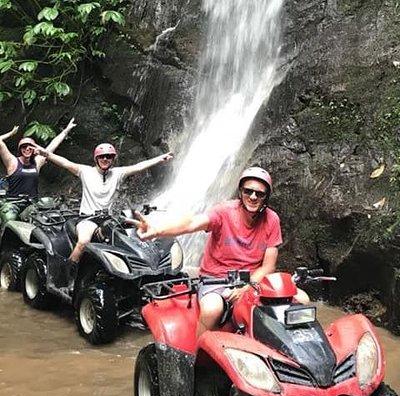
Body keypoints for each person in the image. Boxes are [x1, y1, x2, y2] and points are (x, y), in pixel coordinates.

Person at [134, 166, 299, 337]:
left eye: (260, 193)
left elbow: (268, 267)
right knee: (213, 309)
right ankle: (197, 355)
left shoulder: (272, 220)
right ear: (241, 192)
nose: (253, 197)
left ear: (266, 197)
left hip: (252, 281)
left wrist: (247, 286)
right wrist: (157, 230)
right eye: (248, 191)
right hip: (216, 280)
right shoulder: (224, 212)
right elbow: (191, 223)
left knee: (301, 300)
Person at [36, 142, 173, 289]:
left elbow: (139, 166)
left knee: (137, 232)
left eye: (109, 157)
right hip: (87, 218)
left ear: (113, 159)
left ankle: (139, 274)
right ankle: (66, 276)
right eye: (102, 157)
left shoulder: (118, 173)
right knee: (83, 242)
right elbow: (65, 163)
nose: (105, 159)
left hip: (108, 218)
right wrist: (45, 153)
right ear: (96, 158)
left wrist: (160, 158)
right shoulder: (85, 171)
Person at [0, 118, 76, 198]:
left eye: (30, 147)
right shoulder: (12, 161)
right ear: (20, 149)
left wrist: (66, 131)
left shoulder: (37, 161)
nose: (27, 149)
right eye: (24, 147)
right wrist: (11, 134)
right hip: (13, 202)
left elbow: (52, 146)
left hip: (31, 202)